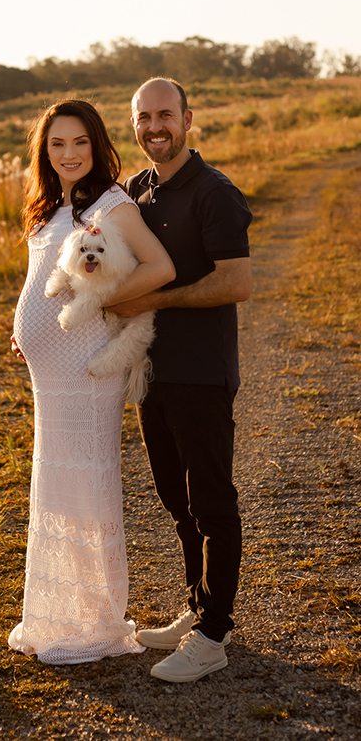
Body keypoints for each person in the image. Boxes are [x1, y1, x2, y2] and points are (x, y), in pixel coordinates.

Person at [9, 99, 175, 665]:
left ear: (97, 145)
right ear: (44, 152)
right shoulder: (46, 206)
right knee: (54, 477)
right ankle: (53, 614)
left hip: (88, 359)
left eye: (80, 143)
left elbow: (160, 268)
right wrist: (24, 326)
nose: (69, 154)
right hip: (47, 366)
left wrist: (101, 299)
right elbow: (40, 278)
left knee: (87, 478)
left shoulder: (112, 204)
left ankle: (94, 621)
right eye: (57, 144)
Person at [107, 77, 252, 683]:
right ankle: (196, 605)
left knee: (212, 500)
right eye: (144, 117)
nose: (155, 126)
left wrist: (159, 303)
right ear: (134, 124)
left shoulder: (215, 193)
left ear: (188, 119)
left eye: (166, 114)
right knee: (176, 501)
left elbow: (236, 282)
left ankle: (213, 634)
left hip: (201, 374)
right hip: (152, 375)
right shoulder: (134, 191)